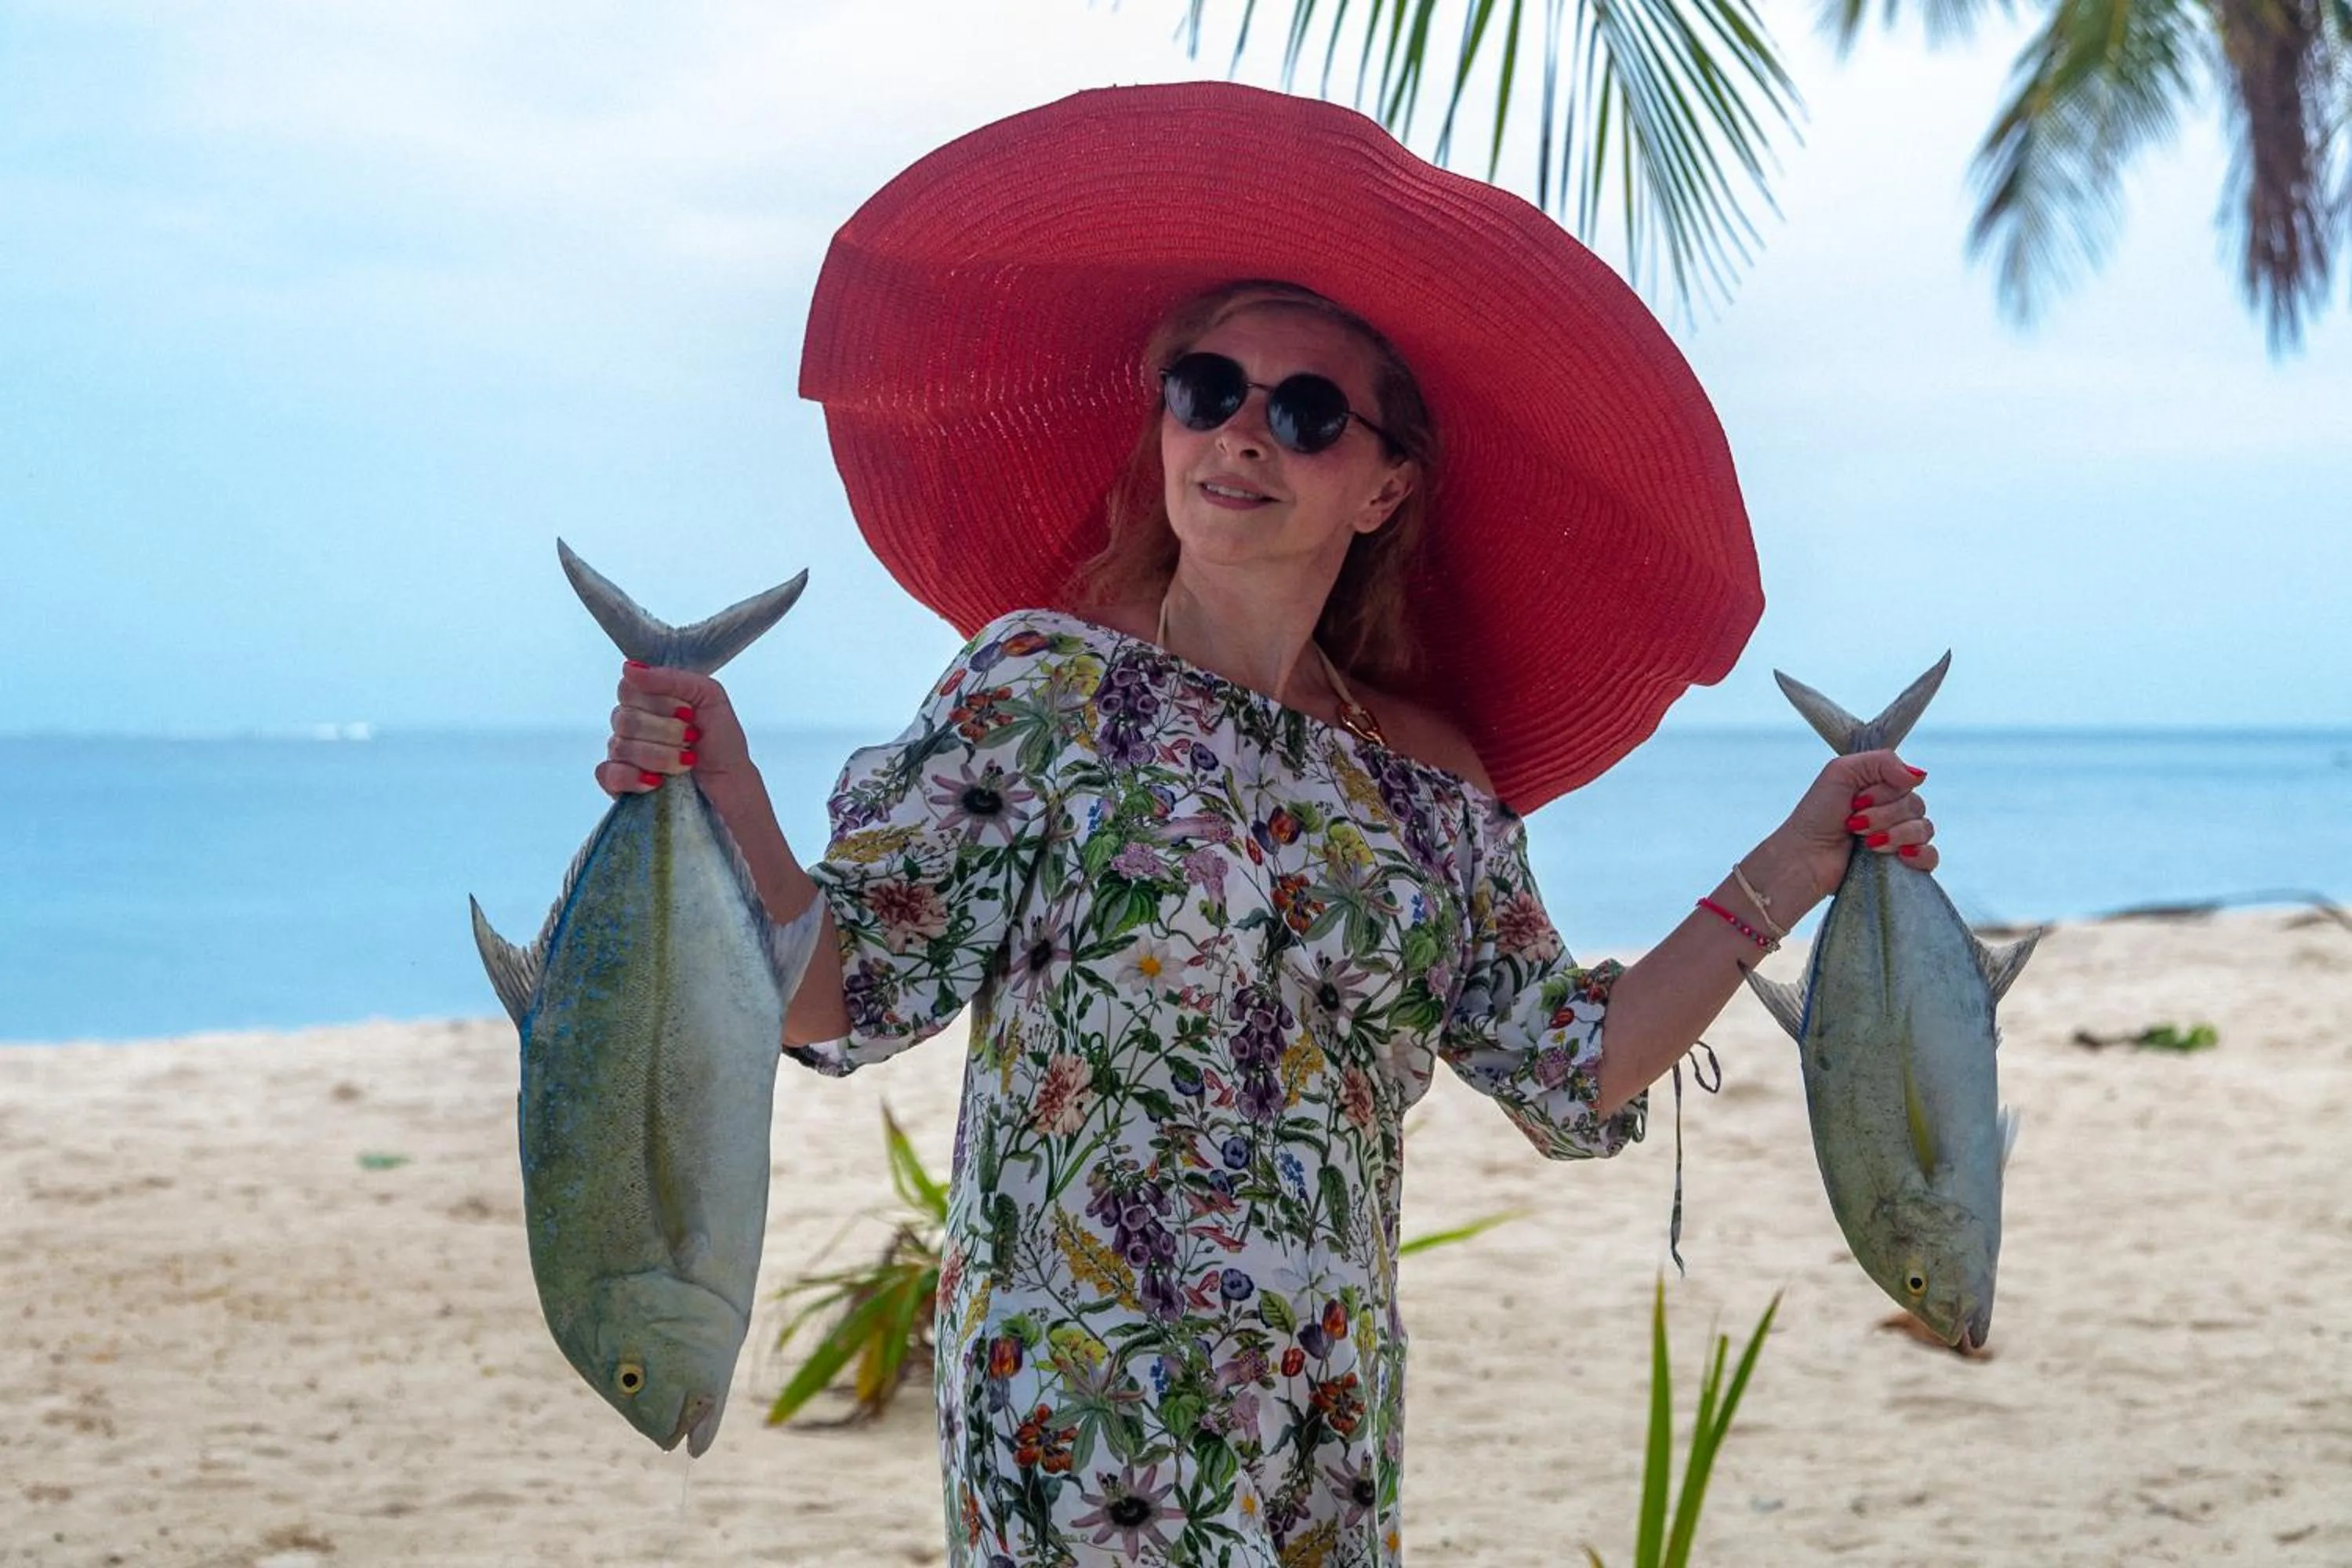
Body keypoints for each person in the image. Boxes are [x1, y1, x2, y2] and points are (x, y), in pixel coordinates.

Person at [594, 84, 1936, 1568]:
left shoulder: (1427, 779)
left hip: (1323, 1411)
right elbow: (835, 993)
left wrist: (1798, 864)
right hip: (1073, 1413)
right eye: (1206, 388)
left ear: (1384, 487)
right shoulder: (1040, 690)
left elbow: (1571, 1067)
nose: (1241, 434)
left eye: (1304, 414)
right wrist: (724, 788)